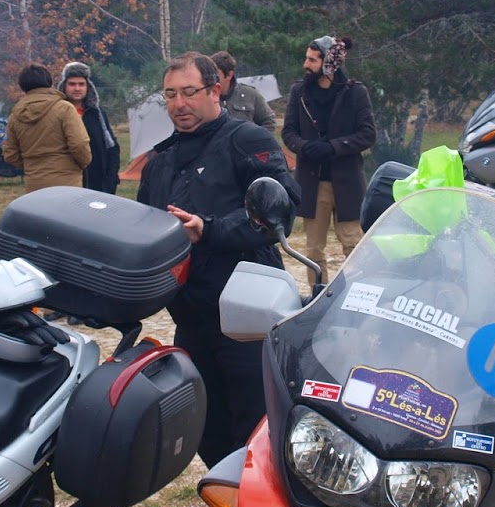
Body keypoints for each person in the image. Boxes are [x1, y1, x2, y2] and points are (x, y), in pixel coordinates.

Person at [137, 51, 300, 466]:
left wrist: (209, 229)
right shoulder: (160, 161)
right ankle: (229, 500)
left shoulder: (248, 140)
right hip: (191, 316)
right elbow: (143, 230)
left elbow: (280, 211)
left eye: (189, 92)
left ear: (215, 91)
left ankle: (262, 504)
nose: (179, 104)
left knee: (258, 432)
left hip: (248, 318)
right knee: (206, 431)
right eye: (170, 95)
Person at [282, 34, 376, 280]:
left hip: (347, 181)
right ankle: (318, 295)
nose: (306, 65)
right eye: (306, 58)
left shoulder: (355, 93)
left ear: (329, 64)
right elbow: (288, 131)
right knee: (313, 250)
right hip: (313, 183)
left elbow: (367, 134)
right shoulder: (299, 91)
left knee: (354, 245)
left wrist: (334, 147)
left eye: (312, 60)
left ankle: (359, 292)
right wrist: (304, 147)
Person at [2, 63, 92, 193]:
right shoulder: (65, 108)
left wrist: (31, 167)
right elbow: (79, 143)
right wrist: (83, 163)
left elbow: (10, 154)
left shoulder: (15, 116)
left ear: (22, 85)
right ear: (48, 82)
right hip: (67, 182)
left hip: (34, 184)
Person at [58, 61, 121, 193]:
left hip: (97, 184)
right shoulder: (57, 114)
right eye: (72, 84)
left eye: (81, 84)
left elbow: (112, 147)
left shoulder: (97, 114)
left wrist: (111, 180)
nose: (77, 88)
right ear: (64, 86)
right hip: (66, 183)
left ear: (88, 87)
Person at [211, 51, 277, 129]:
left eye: (215, 75)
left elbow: (269, 120)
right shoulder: (205, 97)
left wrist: (258, 136)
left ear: (229, 75)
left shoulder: (250, 94)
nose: (211, 79)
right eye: (209, 74)